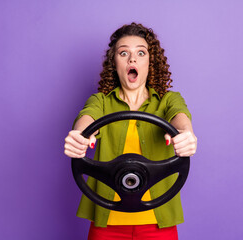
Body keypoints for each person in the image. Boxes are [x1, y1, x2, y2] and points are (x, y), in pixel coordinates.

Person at [64, 22, 197, 240]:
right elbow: (87, 117)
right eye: (123, 52)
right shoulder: (102, 101)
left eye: (140, 53)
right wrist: (80, 135)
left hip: (157, 223)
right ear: (114, 63)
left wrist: (185, 133)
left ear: (149, 63)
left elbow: (180, 116)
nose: (132, 59)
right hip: (107, 222)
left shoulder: (167, 100)